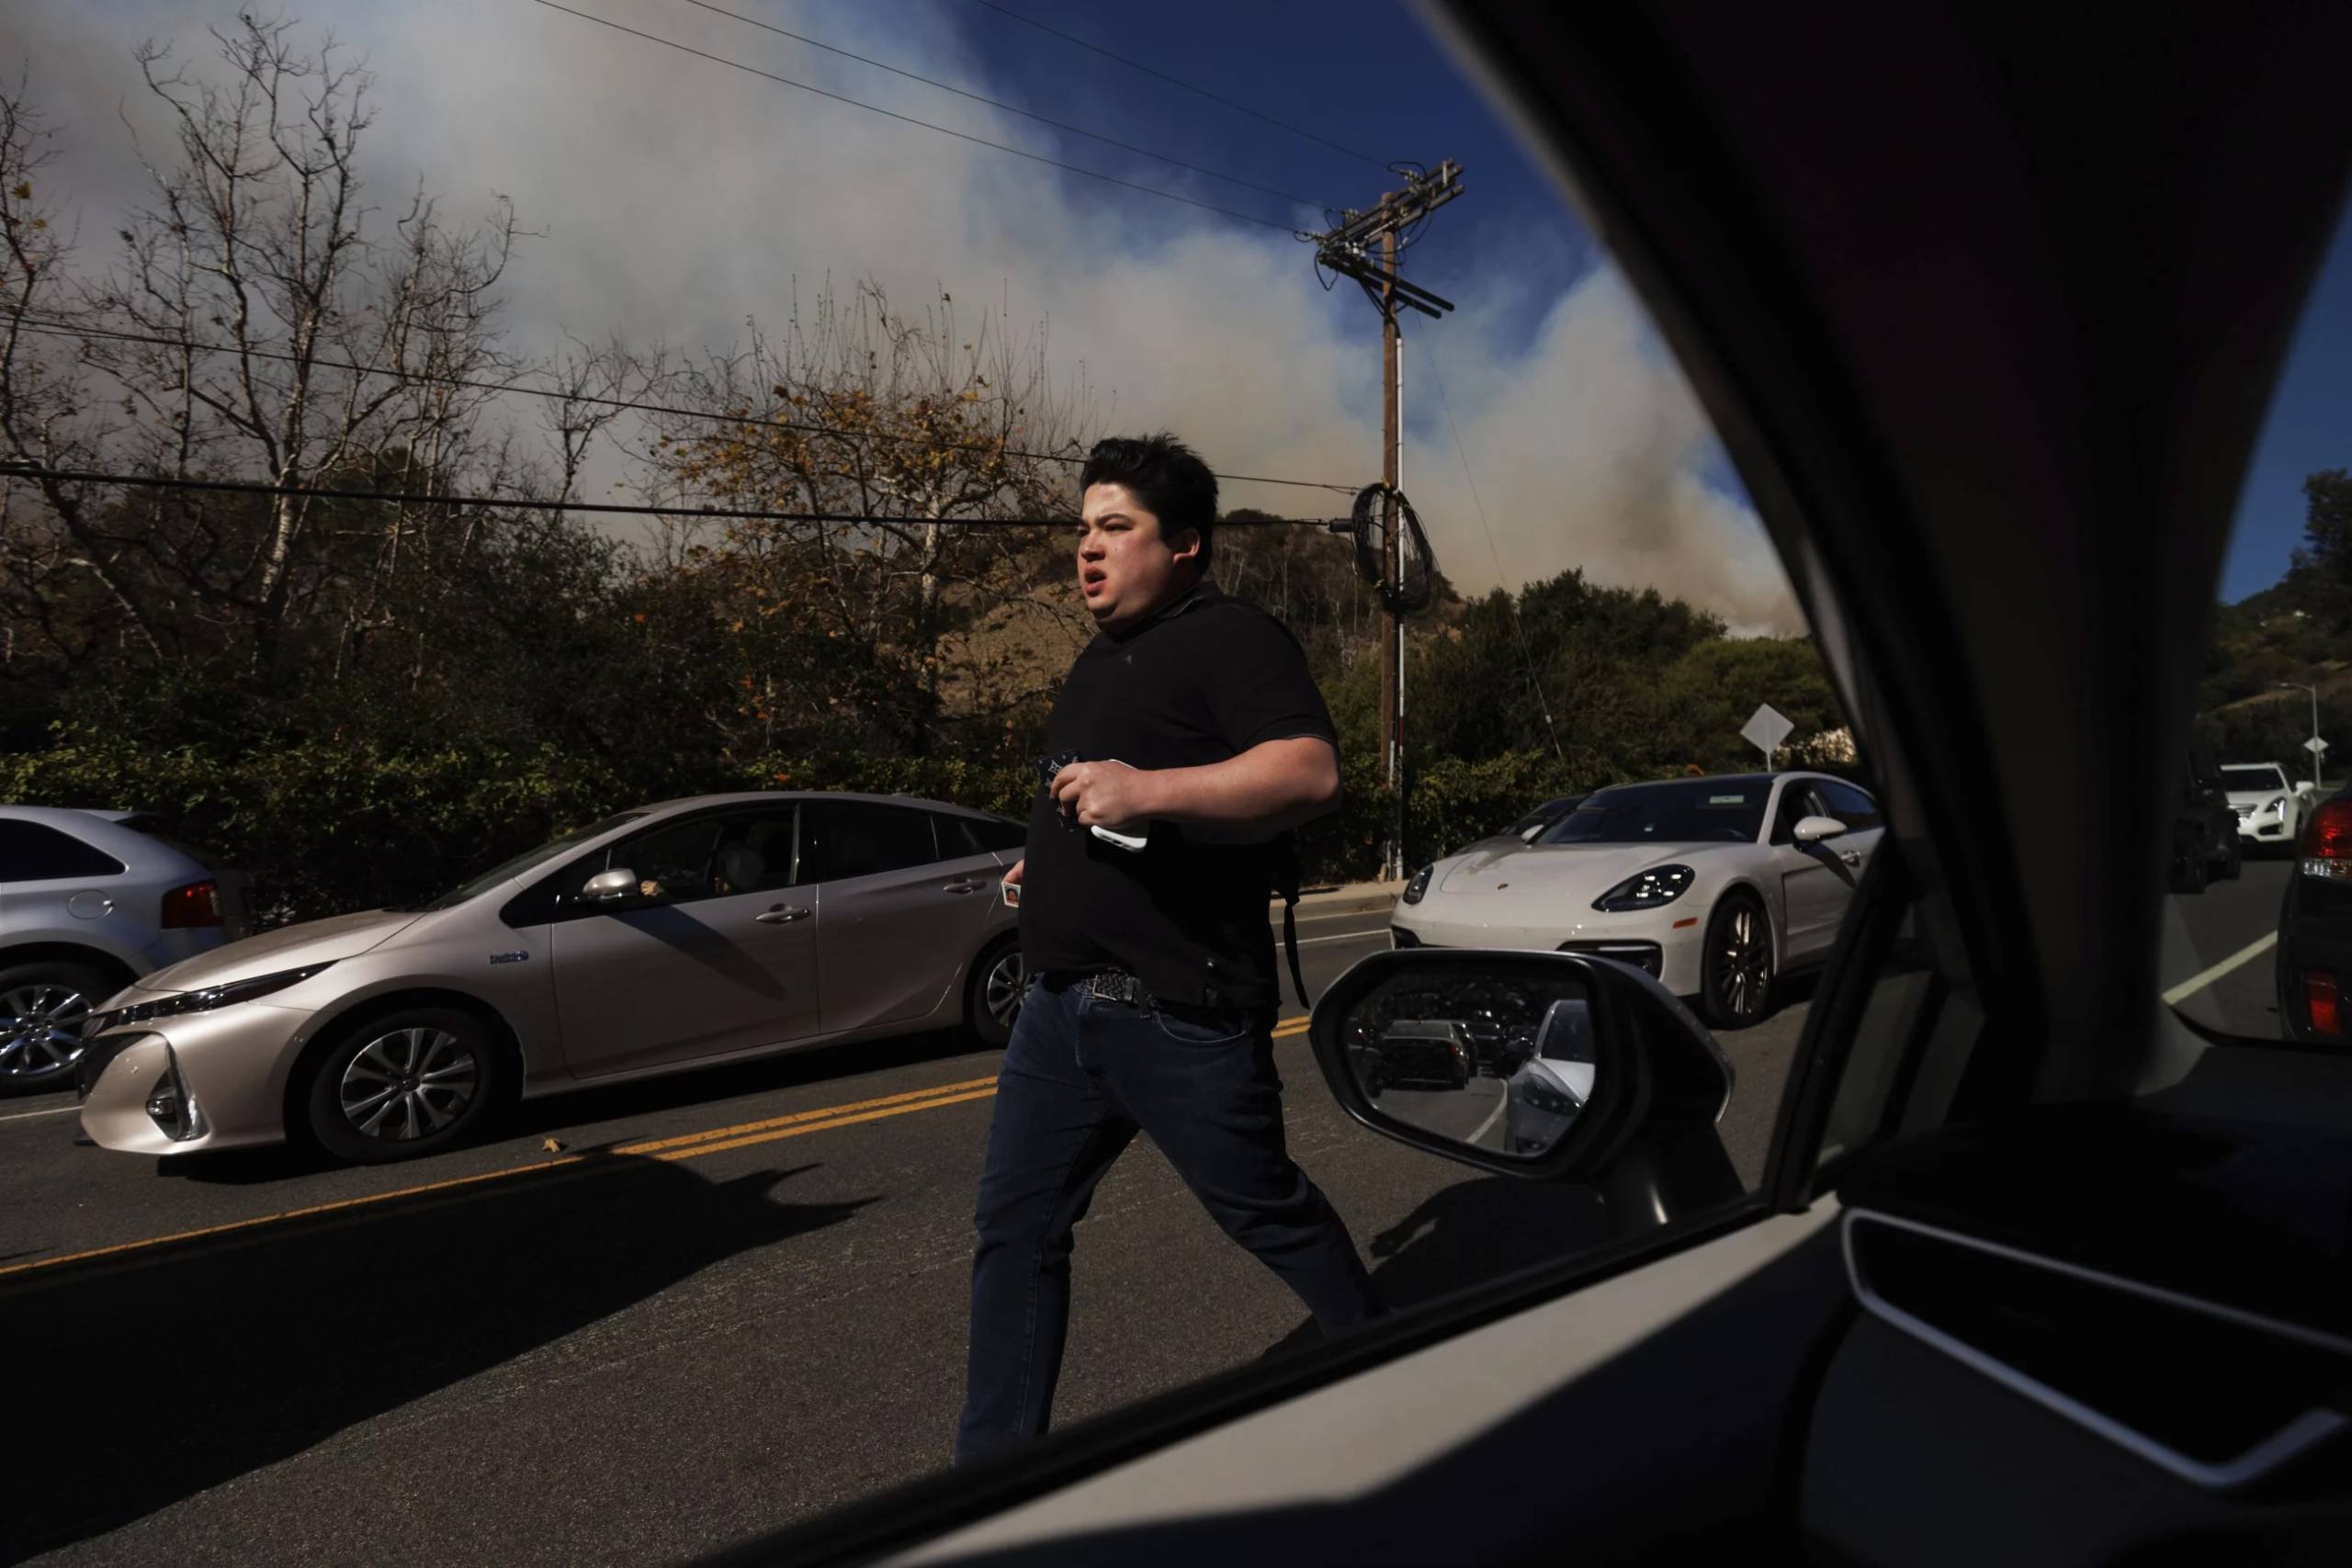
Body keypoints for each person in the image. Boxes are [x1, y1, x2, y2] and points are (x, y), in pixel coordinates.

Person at [954, 433, 1383, 1464]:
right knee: (1015, 1234)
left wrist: (1145, 789)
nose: (1087, 551)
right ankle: (992, 1480)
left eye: (1116, 529)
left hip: (1175, 1009)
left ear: (1184, 545)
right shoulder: (1099, 659)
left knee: (1267, 1214)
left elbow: (1309, 772)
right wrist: (1041, 862)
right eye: (1083, 530)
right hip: (1058, 1014)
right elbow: (1096, 800)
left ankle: (1390, 1356)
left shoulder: (1230, 637)